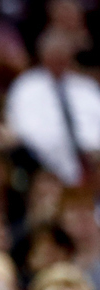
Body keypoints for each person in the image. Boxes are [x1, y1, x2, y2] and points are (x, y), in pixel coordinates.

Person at [6, 29, 100, 187]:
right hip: (43, 162)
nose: (59, 59)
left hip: (92, 162)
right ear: (43, 56)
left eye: (63, 54)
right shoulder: (26, 86)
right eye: (54, 54)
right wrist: (59, 153)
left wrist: (92, 148)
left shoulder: (86, 87)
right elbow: (22, 129)